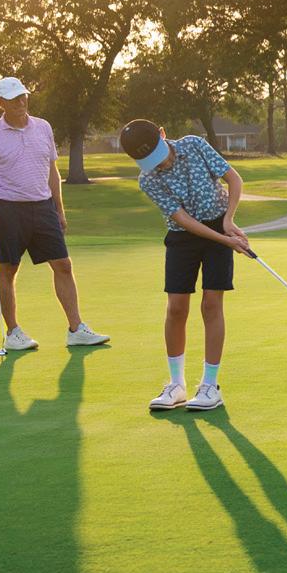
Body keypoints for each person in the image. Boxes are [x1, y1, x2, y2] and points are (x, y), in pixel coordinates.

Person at [0, 76, 109, 352]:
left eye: (23, 96)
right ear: (0, 103)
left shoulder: (43, 127)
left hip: (43, 207)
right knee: (9, 269)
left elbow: (52, 172)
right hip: (7, 209)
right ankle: (13, 333)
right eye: (13, 98)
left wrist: (59, 210)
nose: (21, 102)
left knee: (63, 265)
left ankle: (76, 329)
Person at [119, 118, 248, 413]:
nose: (159, 164)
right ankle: (177, 385)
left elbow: (234, 179)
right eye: (150, 161)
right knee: (176, 308)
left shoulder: (193, 144)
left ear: (163, 133)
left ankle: (210, 386)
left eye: (158, 154)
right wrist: (226, 241)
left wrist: (228, 221)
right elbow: (182, 220)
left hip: (218, 224)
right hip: (183, 236)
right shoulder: (148, 179)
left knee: (211, 305)